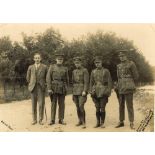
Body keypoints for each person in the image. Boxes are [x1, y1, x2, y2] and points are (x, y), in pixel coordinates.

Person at [115, 50, 139, 129]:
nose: (121, 57)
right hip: (121, 87)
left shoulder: (131, 64)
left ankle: (131, 122)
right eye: (120, 56)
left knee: (129, 105)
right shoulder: (118, 66)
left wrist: (129, 81)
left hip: (128, 87)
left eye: (123, 56)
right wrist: (117, 86)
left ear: (126, 56)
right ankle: (121, 121)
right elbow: (118, 77)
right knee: (121, 105)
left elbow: (136, 76)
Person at [46, 52, 69, 125]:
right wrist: (49, 88)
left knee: (62, 104)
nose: (60, 60)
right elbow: (48, 78)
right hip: (54, 87)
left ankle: (61, 119)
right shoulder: (52, 67)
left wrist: (66, 88)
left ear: (63, 60)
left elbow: (67, 79)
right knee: (53, 104)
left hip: (62, 87)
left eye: (61, 59)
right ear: (56, 59)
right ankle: (52, 120)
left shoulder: (65, 68)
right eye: (58, 59)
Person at [90, 56, 112, 128]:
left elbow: (109, 82)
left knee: (102, 107)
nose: (97, 64)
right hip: (95, 91)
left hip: (103, 91)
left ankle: (102, 123)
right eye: (96, 63)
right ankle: (97, 122)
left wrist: (108, 91)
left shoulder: (106, 71)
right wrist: (91, 91)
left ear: (101, 63)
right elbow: (91, 82)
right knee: (97, 107)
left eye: (98, 62)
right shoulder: (93, 71)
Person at [26, 53, 47, 125]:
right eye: (36, 58)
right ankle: (34, 120)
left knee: (41, 104)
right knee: (33, 104)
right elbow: (28, 77)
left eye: (38, 58)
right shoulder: (30, 67)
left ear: (40, 59)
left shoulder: (44, 67)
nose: (37, 59)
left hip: (41, 88)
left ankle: (40, 120)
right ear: (34, 59)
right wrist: (31, 84)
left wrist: (45, 84)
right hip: (33, 88)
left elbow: (46, 77)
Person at [72, 56, 89, 129]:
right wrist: (73, 91)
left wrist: (85, 90)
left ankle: (84, 122)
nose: (77, 64)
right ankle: (79, 120)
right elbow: (72, 82)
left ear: (80, 63)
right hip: (75, 91)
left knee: (81, 106)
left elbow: (86, 82)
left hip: (82, 91)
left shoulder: (84, 70)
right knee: (77, 106)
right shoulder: (73, 71)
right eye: (75, 63)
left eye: (78, 63)